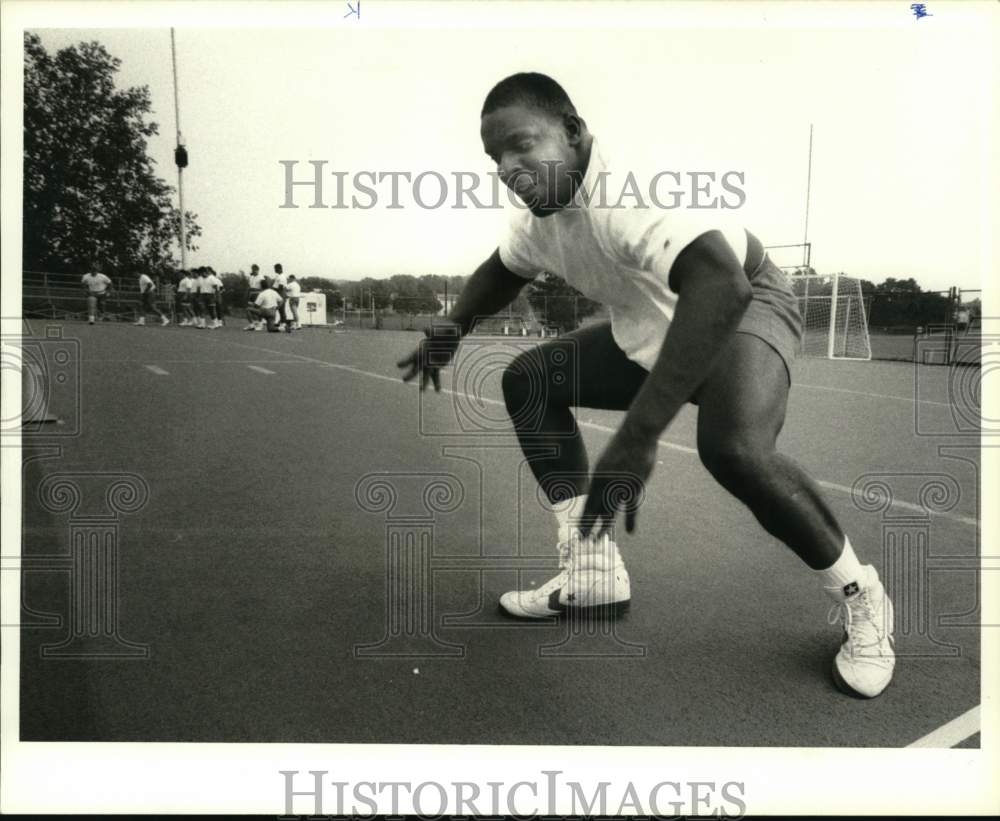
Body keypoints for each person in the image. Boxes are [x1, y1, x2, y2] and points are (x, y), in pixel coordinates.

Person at [396, 72, 895, 699]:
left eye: (522, 144)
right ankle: (594, 567)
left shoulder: (628, 190)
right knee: (531, 379)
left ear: (574, 133)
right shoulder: (539, 216)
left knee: (734, 450)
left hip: (743, 301)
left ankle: (863, 596)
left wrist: (638, 435)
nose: (508, 167)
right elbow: (502, 270)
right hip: (655, 318)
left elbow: (720, 286)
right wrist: (450, 329)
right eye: (495, 157)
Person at [245, 264, 265, 330]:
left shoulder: (261, 277)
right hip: (251, 294)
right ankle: (253, 324)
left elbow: (263, 288)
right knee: (250, 309)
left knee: (257, 309)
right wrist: (248, 295)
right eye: (253, 270)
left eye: (255, 270)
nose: (254, 271)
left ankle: (260, 324)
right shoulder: (251, 277)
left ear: (258, 270)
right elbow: (249, 287)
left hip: (258, 294)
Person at [272, 263, 289, 330]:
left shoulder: (282, 277)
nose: (274, 270)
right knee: (280, 310)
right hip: (279, 293)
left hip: (281, 294)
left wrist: (273, 290)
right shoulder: (279, 276)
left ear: (279, 269)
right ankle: (283, 323)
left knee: (281, 309)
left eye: (275, 269)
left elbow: (280, 287)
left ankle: (284, 324)